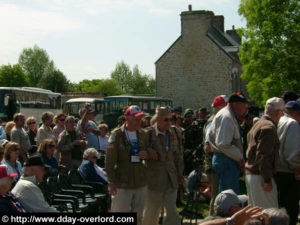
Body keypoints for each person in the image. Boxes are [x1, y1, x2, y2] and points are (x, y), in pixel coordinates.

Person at [105, 105, 148, 225]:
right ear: (127, 118)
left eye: (140, 118)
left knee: (139, 217)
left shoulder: (143, 134)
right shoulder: (117, 135)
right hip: (122, 183)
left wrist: (147, 154)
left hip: (140, 182)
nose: (138, 121)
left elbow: (150, 152)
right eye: (135, 118)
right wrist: (111, 182)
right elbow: (109, 162)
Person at [142, 107, 184, 225]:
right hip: (154, 179)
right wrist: (148, 151)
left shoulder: (175, 132)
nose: (169, 122)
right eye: (166, 120)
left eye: (170, 119)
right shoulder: (148, 133)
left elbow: (179, 156)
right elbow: (139, 150)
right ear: (157, 120)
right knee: (152, 211)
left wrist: (180, 174)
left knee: (171, 210)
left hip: (171, 177)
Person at [245, 97, 285, 209]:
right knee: (269, 214)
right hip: (260, 176)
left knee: (256, 215)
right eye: (282, 113)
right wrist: (267, 180)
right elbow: (263, 155)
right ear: (278, 112)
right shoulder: (269, 127)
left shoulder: (258, 124)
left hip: (252, 174)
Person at [209, 92, 248, 194]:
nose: (245, 109)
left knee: (229, 195)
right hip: (225, 159)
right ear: (236, 104)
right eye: (244, 105)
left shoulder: (228, 115)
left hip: (226, 159)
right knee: (230, 197)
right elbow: (223, 143)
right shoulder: (227, 117)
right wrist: (240, 158)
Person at [275, 100, 300, 225]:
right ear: (296, 113)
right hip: (289, 173)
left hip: (278, 171)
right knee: (291, 210)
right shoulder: (293, 124)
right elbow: (292, 152)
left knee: (281, 210)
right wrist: (297, 167)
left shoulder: (279, 120)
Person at [203, 95, 228, 215]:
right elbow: (207, 147)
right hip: (213, 164)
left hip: (217, 163)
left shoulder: (219, 119)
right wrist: (225, 150)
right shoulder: (212, 121)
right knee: (217, 197)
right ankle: (213, 219)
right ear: (220, 106)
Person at [200, 205, 268, 225]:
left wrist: (232, 221)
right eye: (240, 205)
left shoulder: (209, 219)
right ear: (232, 209)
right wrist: (232, 221)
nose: (242, 207)